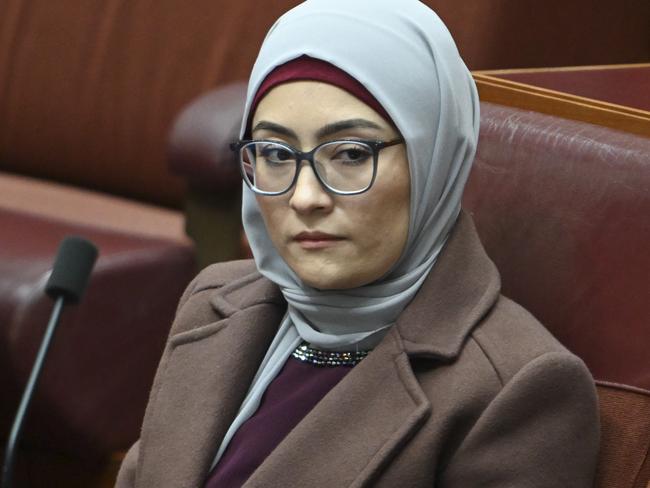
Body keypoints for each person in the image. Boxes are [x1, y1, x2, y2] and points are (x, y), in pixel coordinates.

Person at [116, 0, 600, 486]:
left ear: (432, 158)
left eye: (350, 153)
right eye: (276, 153)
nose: (305, 197)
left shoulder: (516, 389)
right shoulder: (214, 305)